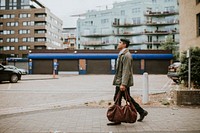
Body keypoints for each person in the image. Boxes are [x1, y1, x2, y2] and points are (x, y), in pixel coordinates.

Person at [107, 38, 148, 126]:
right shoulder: (122, 54)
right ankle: (141, 111)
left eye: (120, 42)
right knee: (126, 97)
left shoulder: (127, 56)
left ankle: (117, 119)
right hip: (120, 81)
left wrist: (123, 84)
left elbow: (126, 70)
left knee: (118, 98)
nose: (118, 44)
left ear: (124, 45)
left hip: (122, 82)